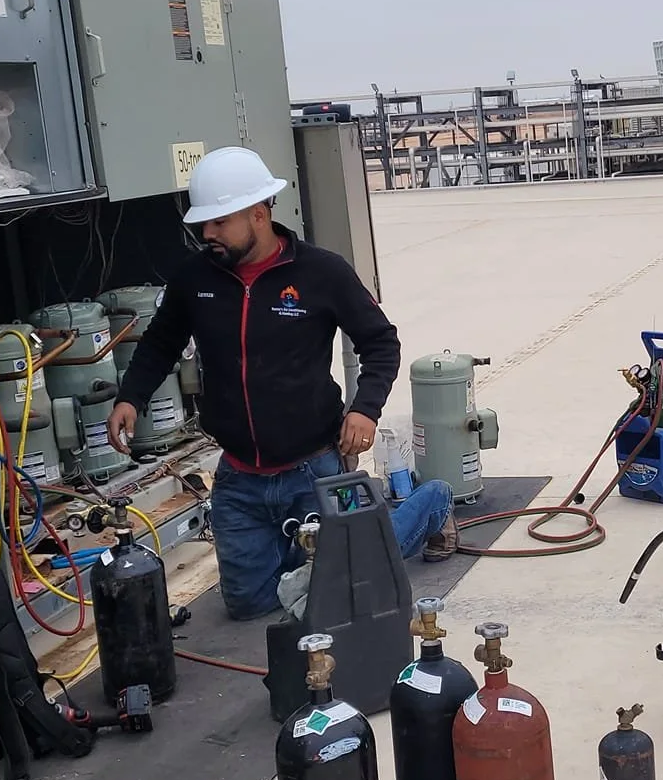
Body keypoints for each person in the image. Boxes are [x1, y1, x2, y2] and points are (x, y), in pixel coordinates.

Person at [109, 146, 456, 619]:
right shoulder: (195, 279)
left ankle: (432, 501)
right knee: (251, 606)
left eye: (218, 222)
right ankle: (309, 554)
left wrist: (364, 408)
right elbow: (159, 343)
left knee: (347, 588)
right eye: (202, 223)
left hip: (311, 469)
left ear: (257, 214)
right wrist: (131, 397)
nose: (206, 233)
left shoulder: (321, 272)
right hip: (238, 480)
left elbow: (380, 343)